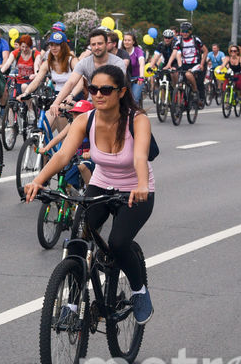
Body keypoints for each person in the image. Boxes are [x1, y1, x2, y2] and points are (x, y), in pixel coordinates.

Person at [25, 64, 155, 325]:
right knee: (77, 242)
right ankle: (72, 304)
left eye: (106, 90)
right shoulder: (87, 119)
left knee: (118, 243)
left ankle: (139, 291)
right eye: (94, 89)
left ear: (121, 92)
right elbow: (63, 155)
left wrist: (141, 184)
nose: (98, 94)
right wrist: (39, 180)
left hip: (135, 191)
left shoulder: (137, 119)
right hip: (101, 185)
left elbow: (140, 156)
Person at [50, 28, 127, 116]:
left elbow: (120, 86)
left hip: (113, 105)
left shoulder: (118, 63)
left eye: (100, 43)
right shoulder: (84, 63)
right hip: (92, 103)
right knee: (69, 118)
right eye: (93, 44)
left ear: (106, 44)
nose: (97, 47)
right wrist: (56, 103)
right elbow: (71, 82)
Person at [20, 30, 75, 129]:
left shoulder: (72, 61)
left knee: (60, 112)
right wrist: (26, 93)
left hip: (72, 98)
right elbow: (37, 80)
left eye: (57, 45)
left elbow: (79, 82)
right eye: (51, 45)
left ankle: (64, 143)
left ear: (63, 46)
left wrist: (71, 95)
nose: (53, 48)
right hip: (57, 97)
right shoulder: (48, 62)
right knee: (43, 128)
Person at [172, 22, 207, 106]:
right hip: (185, 64)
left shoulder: (196, 40)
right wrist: (168, 64)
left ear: (190, 32)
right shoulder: (179, 41)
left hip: (196, 63)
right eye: (182, 31)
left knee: (188, 75)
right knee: (177, 77)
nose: (184, 33)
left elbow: (205, 51)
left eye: (186, 31)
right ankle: (181, 100)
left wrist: (202, 64)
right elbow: (174, 53)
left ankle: (195, 91)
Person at [122, 32, 146, 106]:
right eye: (125, 40)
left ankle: (136, 114)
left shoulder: (138, 51)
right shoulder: (121, 51)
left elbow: (141, 63)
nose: (126, 42)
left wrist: (141, 76)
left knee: (134, 98)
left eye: (129, 40)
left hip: (136, 78)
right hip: (125, 79)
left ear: (133, 42)